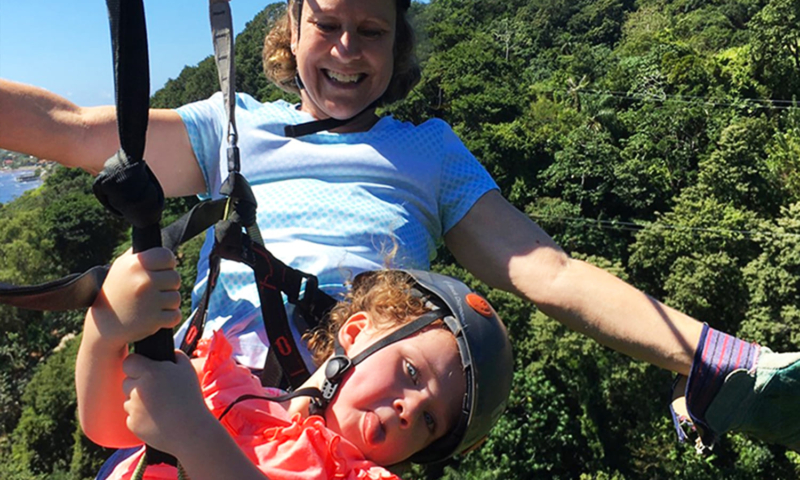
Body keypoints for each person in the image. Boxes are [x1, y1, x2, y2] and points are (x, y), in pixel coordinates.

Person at [1, 0, 798, 453]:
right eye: (328, 26)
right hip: (206, 392)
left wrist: (719, 359)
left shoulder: (430, 154)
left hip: (356, 414)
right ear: (291, 31)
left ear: (398, 43)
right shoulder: (234, 128)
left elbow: (548, 272)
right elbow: (74, 131)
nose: (348, 50)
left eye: (373, 31)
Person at [77, 247, 514, 479]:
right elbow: (110, 427)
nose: (410, 410)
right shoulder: (221, 388)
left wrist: (193, 435)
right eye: (412, 372)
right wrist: (106, 329)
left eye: (430, 422)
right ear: (356, 333)